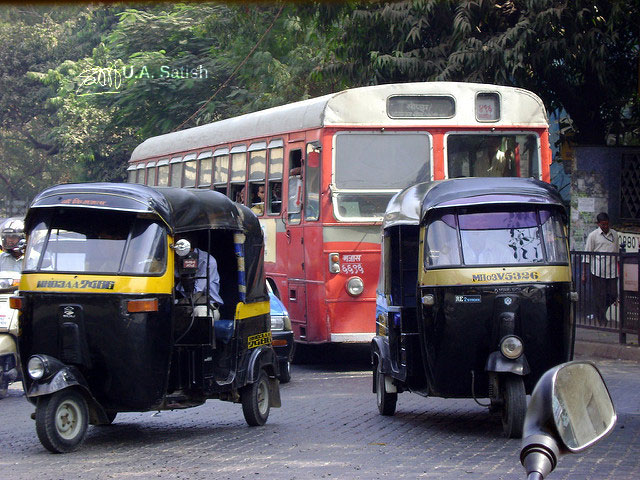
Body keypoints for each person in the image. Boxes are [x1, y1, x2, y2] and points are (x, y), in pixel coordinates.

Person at [582, 212, 619, 326]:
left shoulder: (614, 234)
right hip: (598, 270)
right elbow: (587, 255)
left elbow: (617, 253)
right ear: (598, 224)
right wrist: (584, 273)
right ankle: (601, 319)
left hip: (612, 270)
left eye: (607, 224)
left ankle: (601, 310)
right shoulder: (593, 235)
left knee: (613, 294)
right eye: (603, 224)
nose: (605, 226)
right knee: (600, 296)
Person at [175, 240, 223, 316]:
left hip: (206, 304)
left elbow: (197, 290)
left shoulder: (207, 261)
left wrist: (177, 302)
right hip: (184, 304)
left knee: (201, 312)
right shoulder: (175, 259)